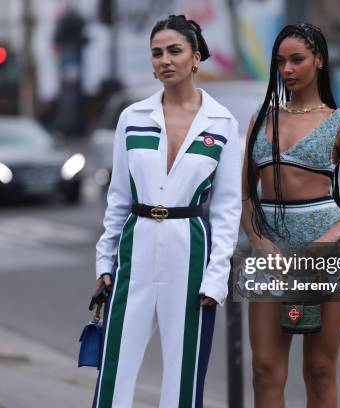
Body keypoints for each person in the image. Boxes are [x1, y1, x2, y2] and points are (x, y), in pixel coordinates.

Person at [92, 15, 242, 408]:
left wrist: (217, 275)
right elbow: (118, 197)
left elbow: (228, 206)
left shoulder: (222, 122)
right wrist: (104, 263)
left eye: (174, 51)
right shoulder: (132, 118)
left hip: (189, 247)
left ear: (196, 58)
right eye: (157, 53)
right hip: (136, 245)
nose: (165, 60)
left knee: (184, 370)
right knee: (115, 365)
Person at [241, 23, 340, 407]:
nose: (287, 69)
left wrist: (328, 239)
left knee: (319, 368)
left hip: (327, 257)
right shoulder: (261, 119)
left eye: (297, 59)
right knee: (266, 369)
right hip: (271, 257)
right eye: (281, 61)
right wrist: (259, 242)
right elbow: (246, 197)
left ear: (319, 60)